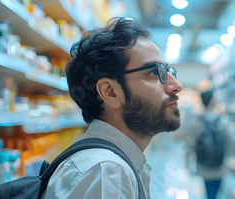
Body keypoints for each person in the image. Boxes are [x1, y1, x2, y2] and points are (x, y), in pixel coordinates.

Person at [43, 17, 183, 198]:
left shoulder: (110, 167)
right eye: (154, 72)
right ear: (110, 92)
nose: (176, 85)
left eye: (168, 71)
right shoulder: (107, 172)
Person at [180, 90, 228, 199]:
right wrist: (228, 156)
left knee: (209, 193)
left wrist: (188, 165)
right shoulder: (222, 121)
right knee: (215, 193)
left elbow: (189, 146)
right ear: (212, 101)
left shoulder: (195, 121)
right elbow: (232, 142)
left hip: (203, 166)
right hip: (219, 166)